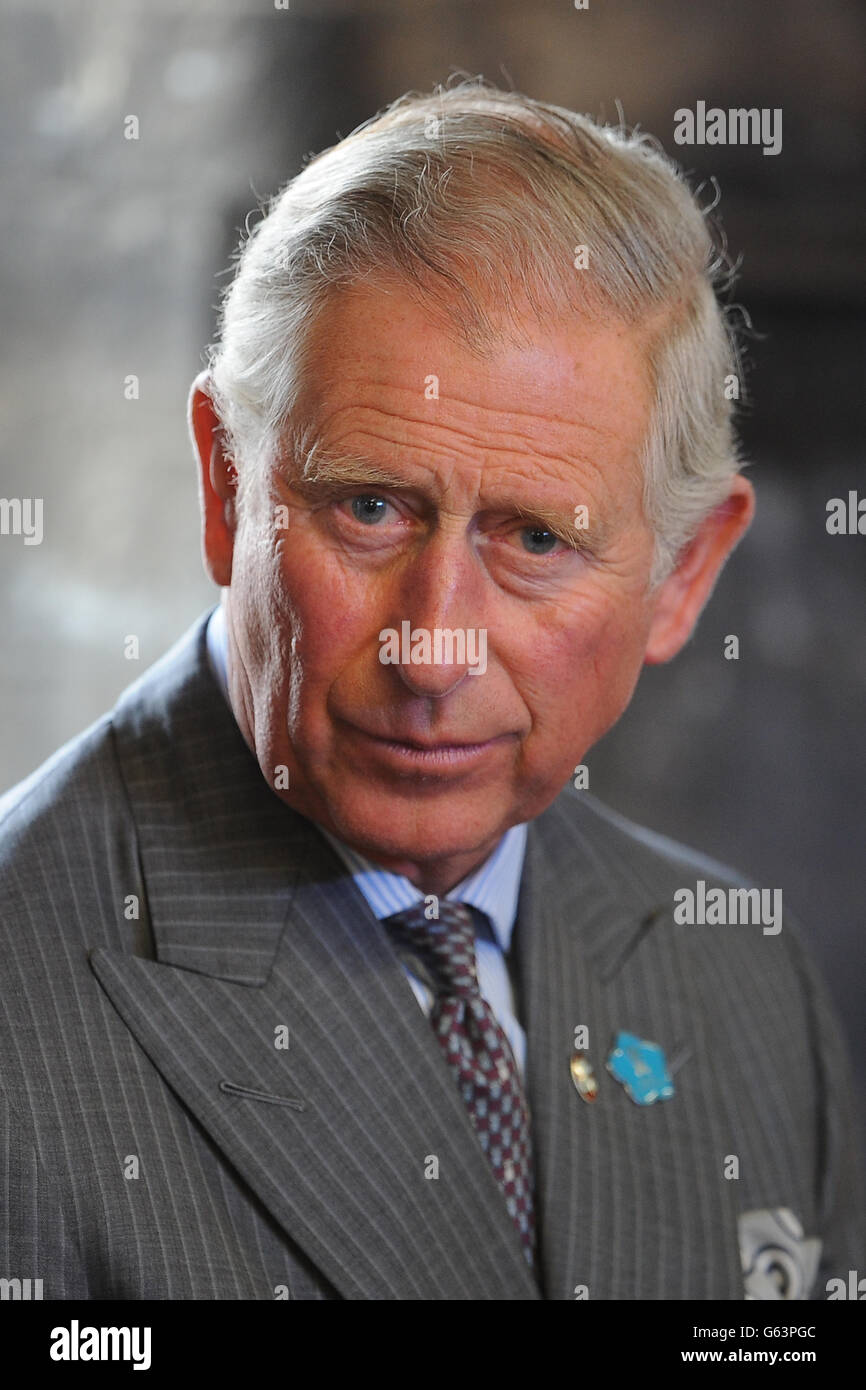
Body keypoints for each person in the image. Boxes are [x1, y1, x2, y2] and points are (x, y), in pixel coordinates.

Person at [1, 81, 863, 1301]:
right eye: (368, 508)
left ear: (682, 576)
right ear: (225, 487)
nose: (433, 647)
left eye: (533, 540)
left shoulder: (738, 978)